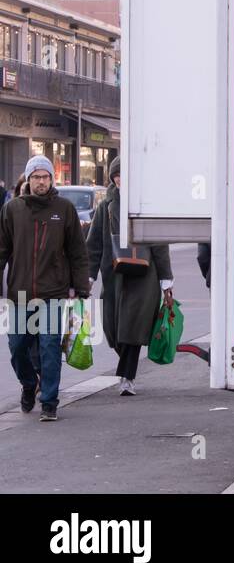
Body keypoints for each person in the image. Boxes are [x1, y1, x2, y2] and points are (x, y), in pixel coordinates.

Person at [1, 156, 91, 420]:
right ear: (28, 180)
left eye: (46, 176)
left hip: (54, 291)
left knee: (50, 346)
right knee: (17, 346)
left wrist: (80, 286)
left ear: (52, 179)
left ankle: (49, 402)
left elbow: (77, 251)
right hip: (20, 292)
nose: (41, 181)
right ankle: (29, 384)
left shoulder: (64, 209)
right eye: (36, 177)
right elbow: (2, 250)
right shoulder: (12, 210)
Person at [86, 158, 173, 396]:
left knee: (132, 328)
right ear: (113, 178)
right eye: (117, 175)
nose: (121, 179)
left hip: (144, 275)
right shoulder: (106, 206)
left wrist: (166, 278)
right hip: (114, 275)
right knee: (113, 331)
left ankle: (126, 377)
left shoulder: (147, 203)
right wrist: (89, 275)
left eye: (126, 175)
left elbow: (159, 243)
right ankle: (125, 368)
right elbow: (93, 245)